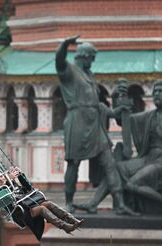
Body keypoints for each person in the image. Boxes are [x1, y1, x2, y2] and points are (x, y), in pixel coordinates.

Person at [75, 80, 162, 218]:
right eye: (154, 92)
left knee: (132, 184)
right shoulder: (151, 115)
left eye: (160, 91)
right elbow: (124, 120)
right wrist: (116, 99)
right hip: (150, 157)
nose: (156, 94)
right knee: (116, 168)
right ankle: (93, 203)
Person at [55, 35, 137, 216]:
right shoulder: (69, 71)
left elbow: (96, 102)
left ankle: (120, 203)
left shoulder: (89, 75)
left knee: (109, 162)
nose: (93, 61)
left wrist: (115, 104)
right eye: (91, 58)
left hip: (95, 122)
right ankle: (69, 202)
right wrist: (65, 44)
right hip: (77, 121)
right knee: (73, 163)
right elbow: (59, 60)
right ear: (83, 56)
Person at [0, 166, 82, 240]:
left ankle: (72, 220)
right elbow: (8, 197)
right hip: (22, 214)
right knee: (42, 209)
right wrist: (9, 181)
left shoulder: (13, 184)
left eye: (1, 176)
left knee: (48, 204)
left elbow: (28, 188)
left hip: (30, 206)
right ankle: (65, 227)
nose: (1, 179)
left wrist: (20, 175)